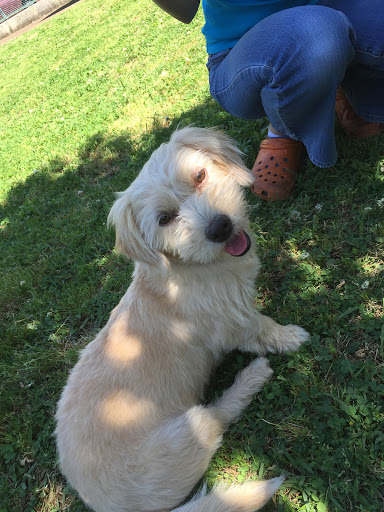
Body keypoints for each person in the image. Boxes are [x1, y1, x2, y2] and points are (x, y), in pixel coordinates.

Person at [151, 0, 384, 201]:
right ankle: (282, 129)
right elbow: (183, 9)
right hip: (240, 50)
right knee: (318, 32)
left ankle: (337, 83)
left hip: (331, 10)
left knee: (334, 27)